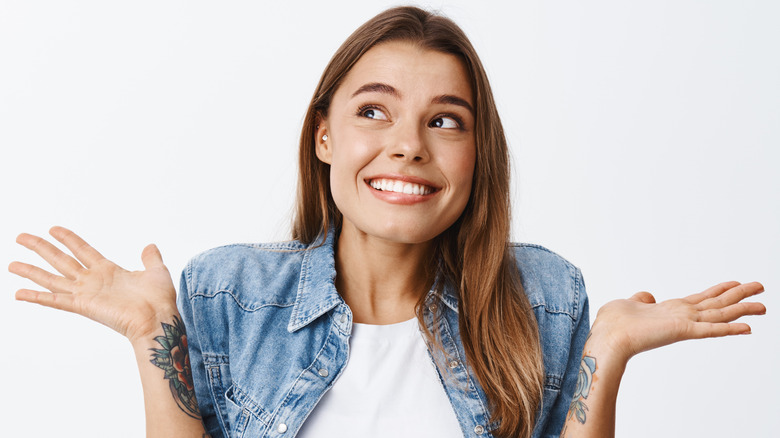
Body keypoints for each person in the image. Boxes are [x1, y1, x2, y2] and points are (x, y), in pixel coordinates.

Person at [9, 6, 765, 438]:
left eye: (446, 120)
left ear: (477, 156)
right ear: (325, 136)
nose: (407, 144)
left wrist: (610, 347)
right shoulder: (227, 294)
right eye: (373, 111)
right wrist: (153, 337)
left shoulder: (545, 297)